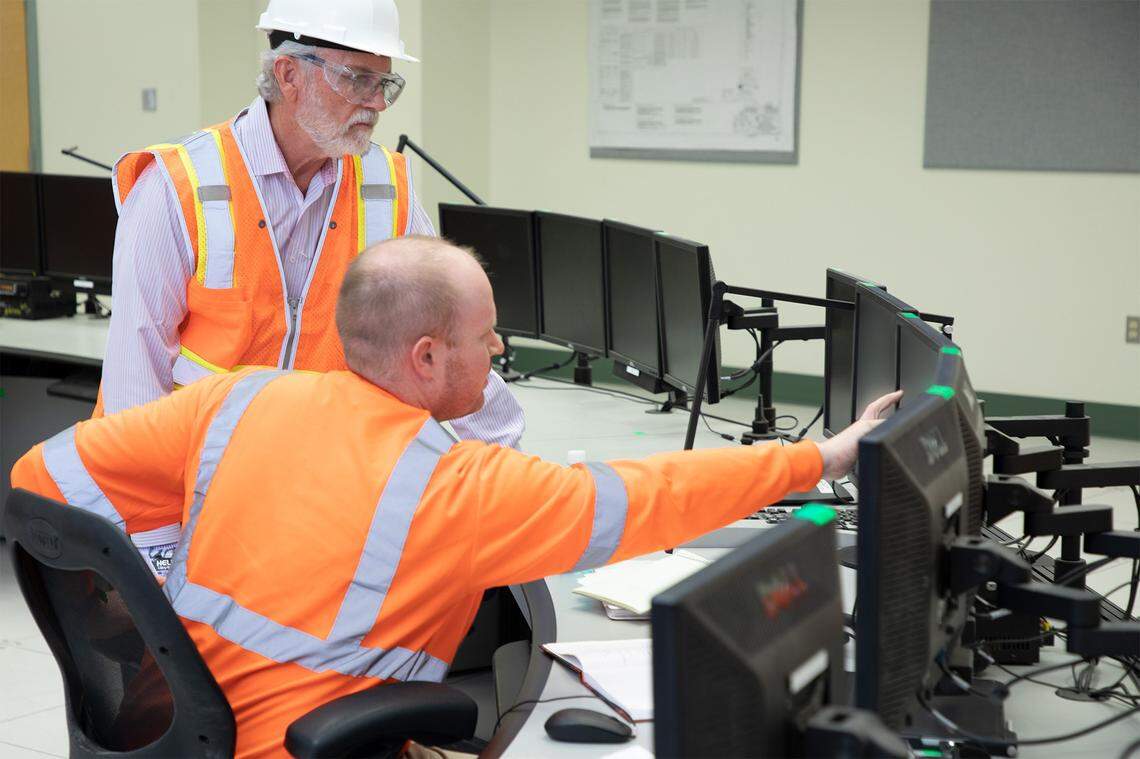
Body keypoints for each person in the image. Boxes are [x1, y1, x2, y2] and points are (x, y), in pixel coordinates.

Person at [12, 236, 901, 758]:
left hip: (182, 725)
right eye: (485, 336)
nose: (501, 347)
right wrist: (819, 458)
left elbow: (40, 483)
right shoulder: (451, 487)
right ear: (427, 358)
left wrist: (150, 589)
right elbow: (647, 495)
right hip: (316, 746)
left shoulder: (237, 398)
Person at [101, 0, 524, 570]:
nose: (375, 104)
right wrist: (151, 545)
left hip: (317, 499)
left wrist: (508, 471)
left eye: (386, 84)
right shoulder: (177, 186)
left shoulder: (383, 185)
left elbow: (446, 334)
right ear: (288, 74)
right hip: (191, 498)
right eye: (357, 79)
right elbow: (136, 374)